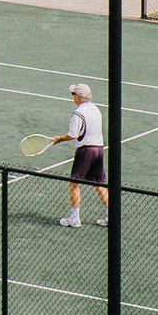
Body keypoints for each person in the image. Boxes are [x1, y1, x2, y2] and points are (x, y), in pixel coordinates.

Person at [48, 83, 110, 227]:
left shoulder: (78, 113)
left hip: (85, 151)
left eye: (73, 94)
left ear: (78, 97)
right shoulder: (96, 109)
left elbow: (73, 134)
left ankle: (74, 218)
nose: (72, 96)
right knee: (99, 184)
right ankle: (111, 215)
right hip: (99, 149)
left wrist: (59, 139)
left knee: (74, 183)